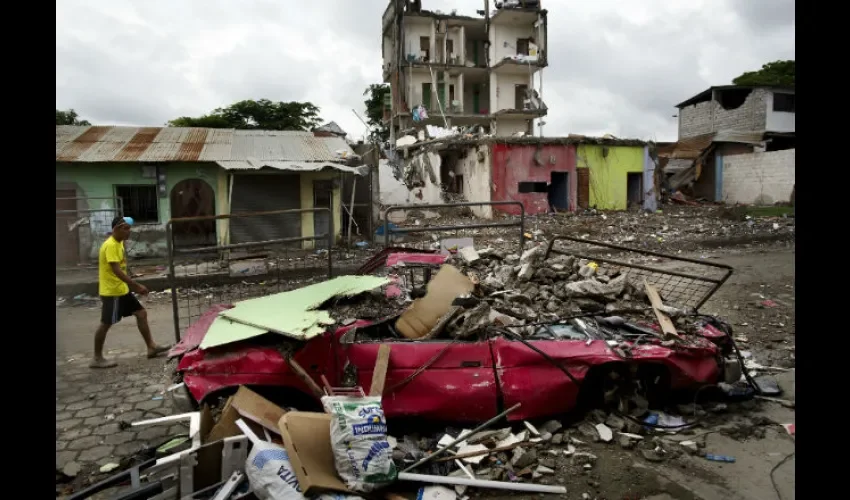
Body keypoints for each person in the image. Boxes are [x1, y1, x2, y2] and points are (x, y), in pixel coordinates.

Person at [91, 216, 169, 368]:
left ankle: (151, 347)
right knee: (106, 323)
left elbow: (122, 267)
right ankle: (97, 358)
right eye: (125, 228)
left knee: (141, 313)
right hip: (112, 292)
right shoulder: (111, 245)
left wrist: (131, 280)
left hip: (121, 290)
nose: (129, 231)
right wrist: (136, 286)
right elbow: (116, 270)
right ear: (116, 229)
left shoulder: (119, 243)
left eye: (129, 228)